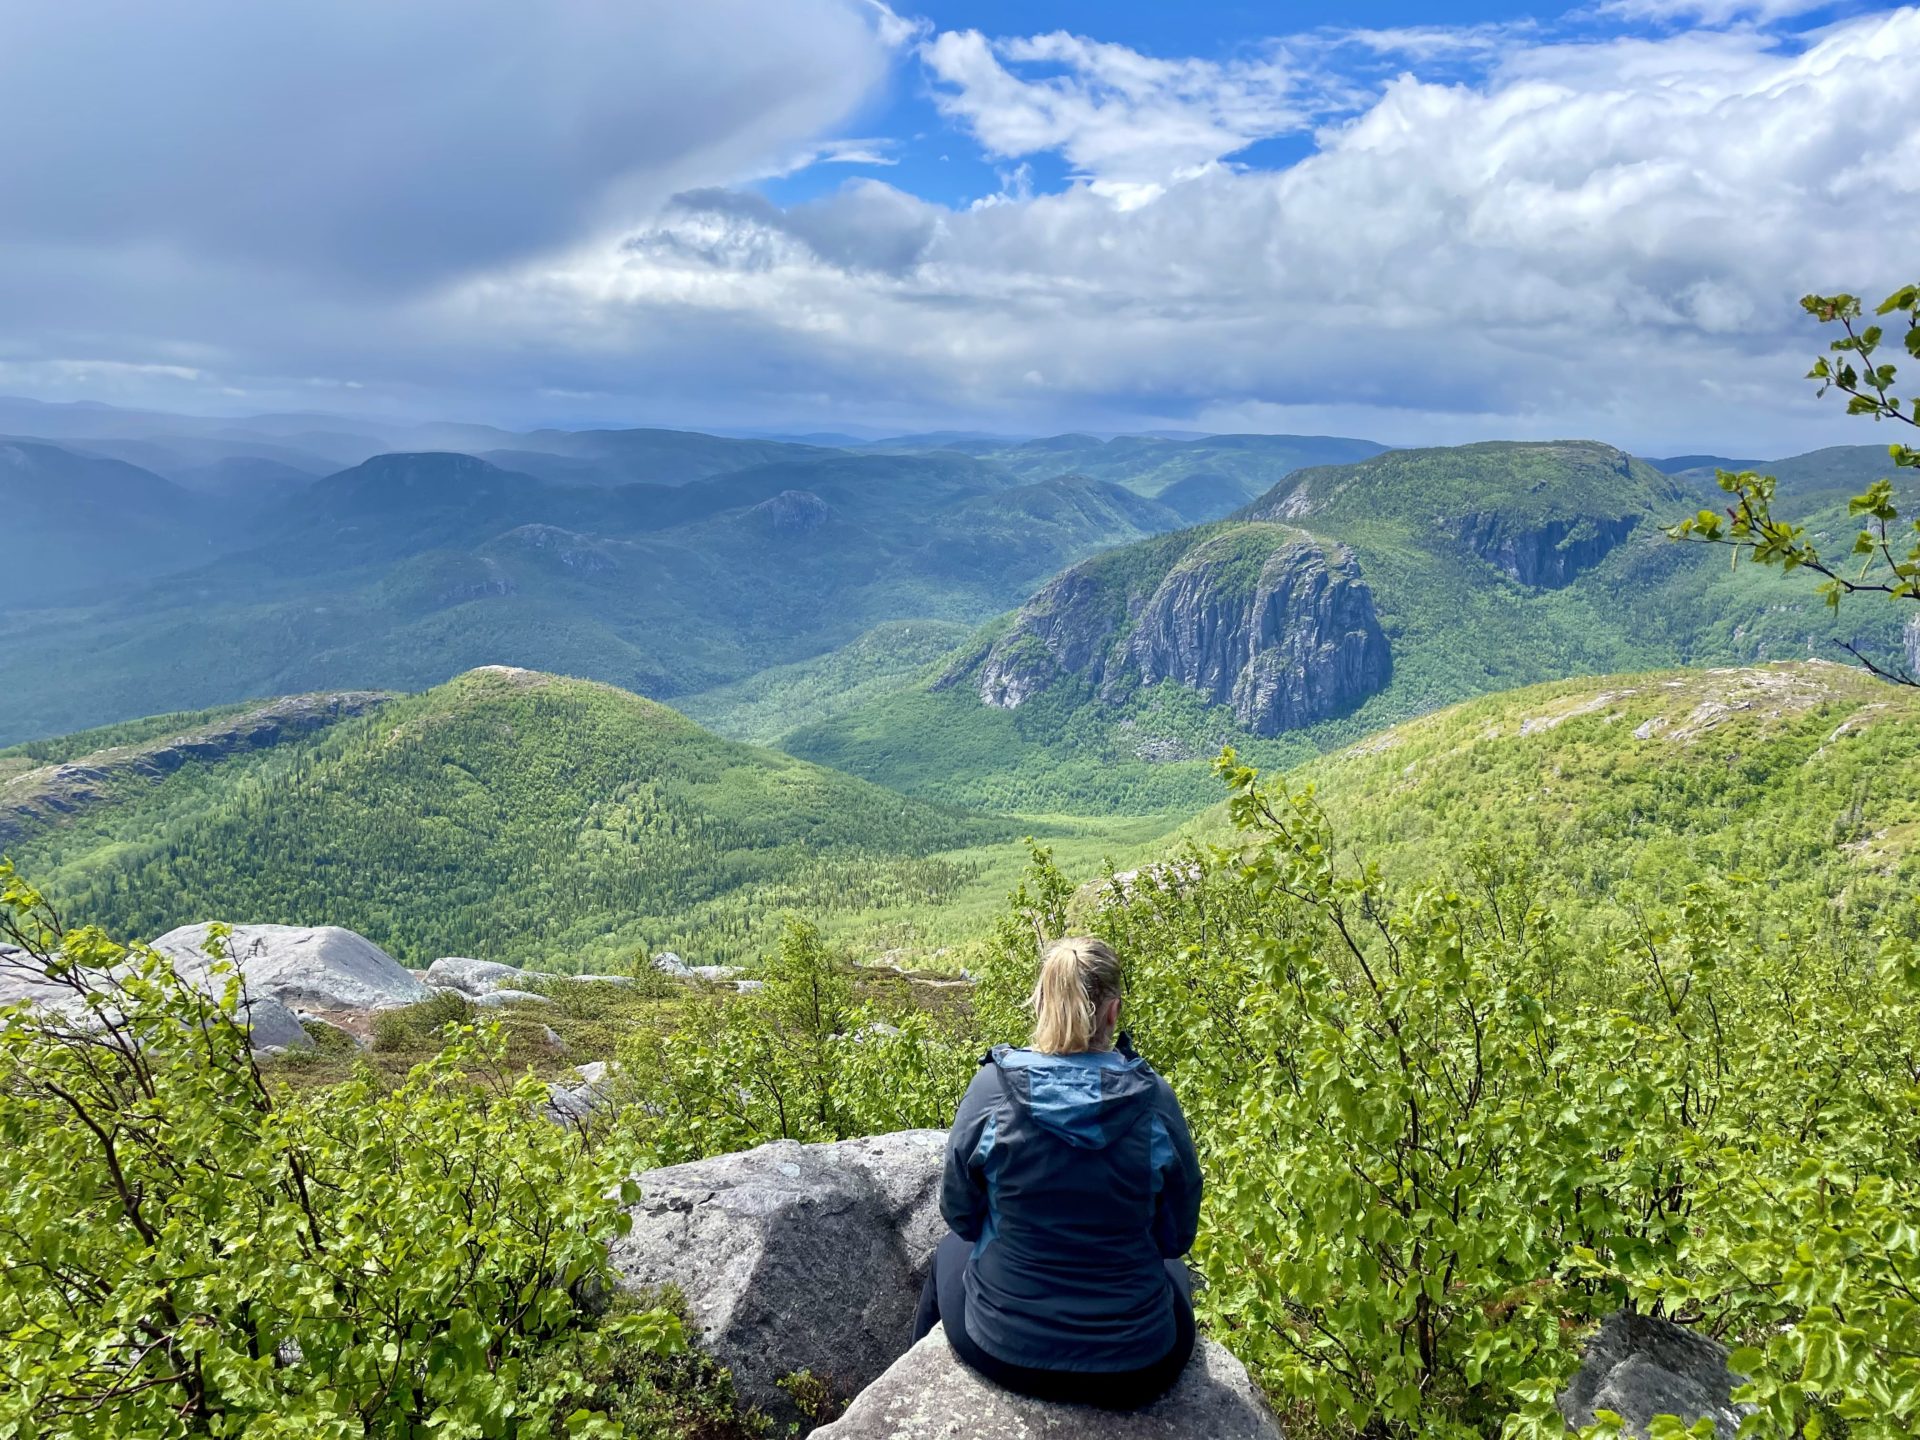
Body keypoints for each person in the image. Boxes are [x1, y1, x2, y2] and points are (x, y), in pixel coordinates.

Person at [911, 935, 1203, 1409]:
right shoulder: (1154, 1100)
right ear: (1113, 1012)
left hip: (1006, 1349)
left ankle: (919, 1399)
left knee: (948, 1253)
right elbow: (1175, 1237)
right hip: (1137, 1364)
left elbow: (960, 1215)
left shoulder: (992, 1089)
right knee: (1173, 1271)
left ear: (1043, 1004)